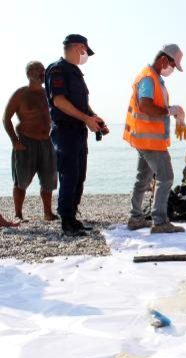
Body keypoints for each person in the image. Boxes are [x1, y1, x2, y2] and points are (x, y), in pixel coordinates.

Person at [45, 34, 106, 237]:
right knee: (69, 175)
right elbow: (59, 101)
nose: (85, 55)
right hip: (65, 131)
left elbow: (80, 103)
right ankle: (66, 220)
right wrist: (85, 118)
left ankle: (73, 216)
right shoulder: (58, 69)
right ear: (78, 47)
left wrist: (93, 117)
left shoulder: (75, 72)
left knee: (79, 175)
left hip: (78, 131)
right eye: (85, 51)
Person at [124, 44, 186, 234]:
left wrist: (173, 112)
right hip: (150, 141)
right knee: (166, 177)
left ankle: (135, 218)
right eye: (173, 65)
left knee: (142, 178)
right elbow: (145, 106)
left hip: (144, 139)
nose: (173, 70)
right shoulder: (149, 79)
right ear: (164, 60)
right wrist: (170, 111)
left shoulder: (153, 78)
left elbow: (151, 106)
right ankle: (160, 221)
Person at [3, 61, 57, 221]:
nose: (42, 72)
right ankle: (18, 214)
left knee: (48, 180)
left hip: (47, 142)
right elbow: (6, 118)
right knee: (21, 180)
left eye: (43, 70)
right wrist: (14, 141)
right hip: (26, 142)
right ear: (29, 73)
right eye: (38, 70)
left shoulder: (49, 93)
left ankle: (48, 213)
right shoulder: (21, 93)